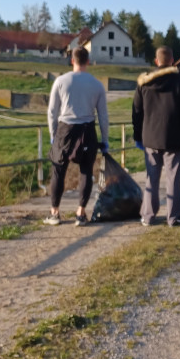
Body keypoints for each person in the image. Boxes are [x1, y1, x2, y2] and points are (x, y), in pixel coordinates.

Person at [132, 45, 180, 226]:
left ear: (156, 61)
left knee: (151, 178)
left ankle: (148, 216)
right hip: (174, 138)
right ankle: (173, 217)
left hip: (150, 138)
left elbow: (137, 112)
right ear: (172, 60)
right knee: (173, 179)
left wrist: (137, 136)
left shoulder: (144, 83)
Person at [45, 46, 109, 227]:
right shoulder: (97, 85)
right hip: (87, 129)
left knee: (58, 170)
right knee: (86, 172)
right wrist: (104, 140)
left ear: (72, 60)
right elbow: (103, 116)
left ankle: (55, 212)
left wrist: (53, 134)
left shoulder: (60, 81)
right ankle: (81, 213)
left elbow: (52, 112)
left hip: (64, 129)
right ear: (88, 61)